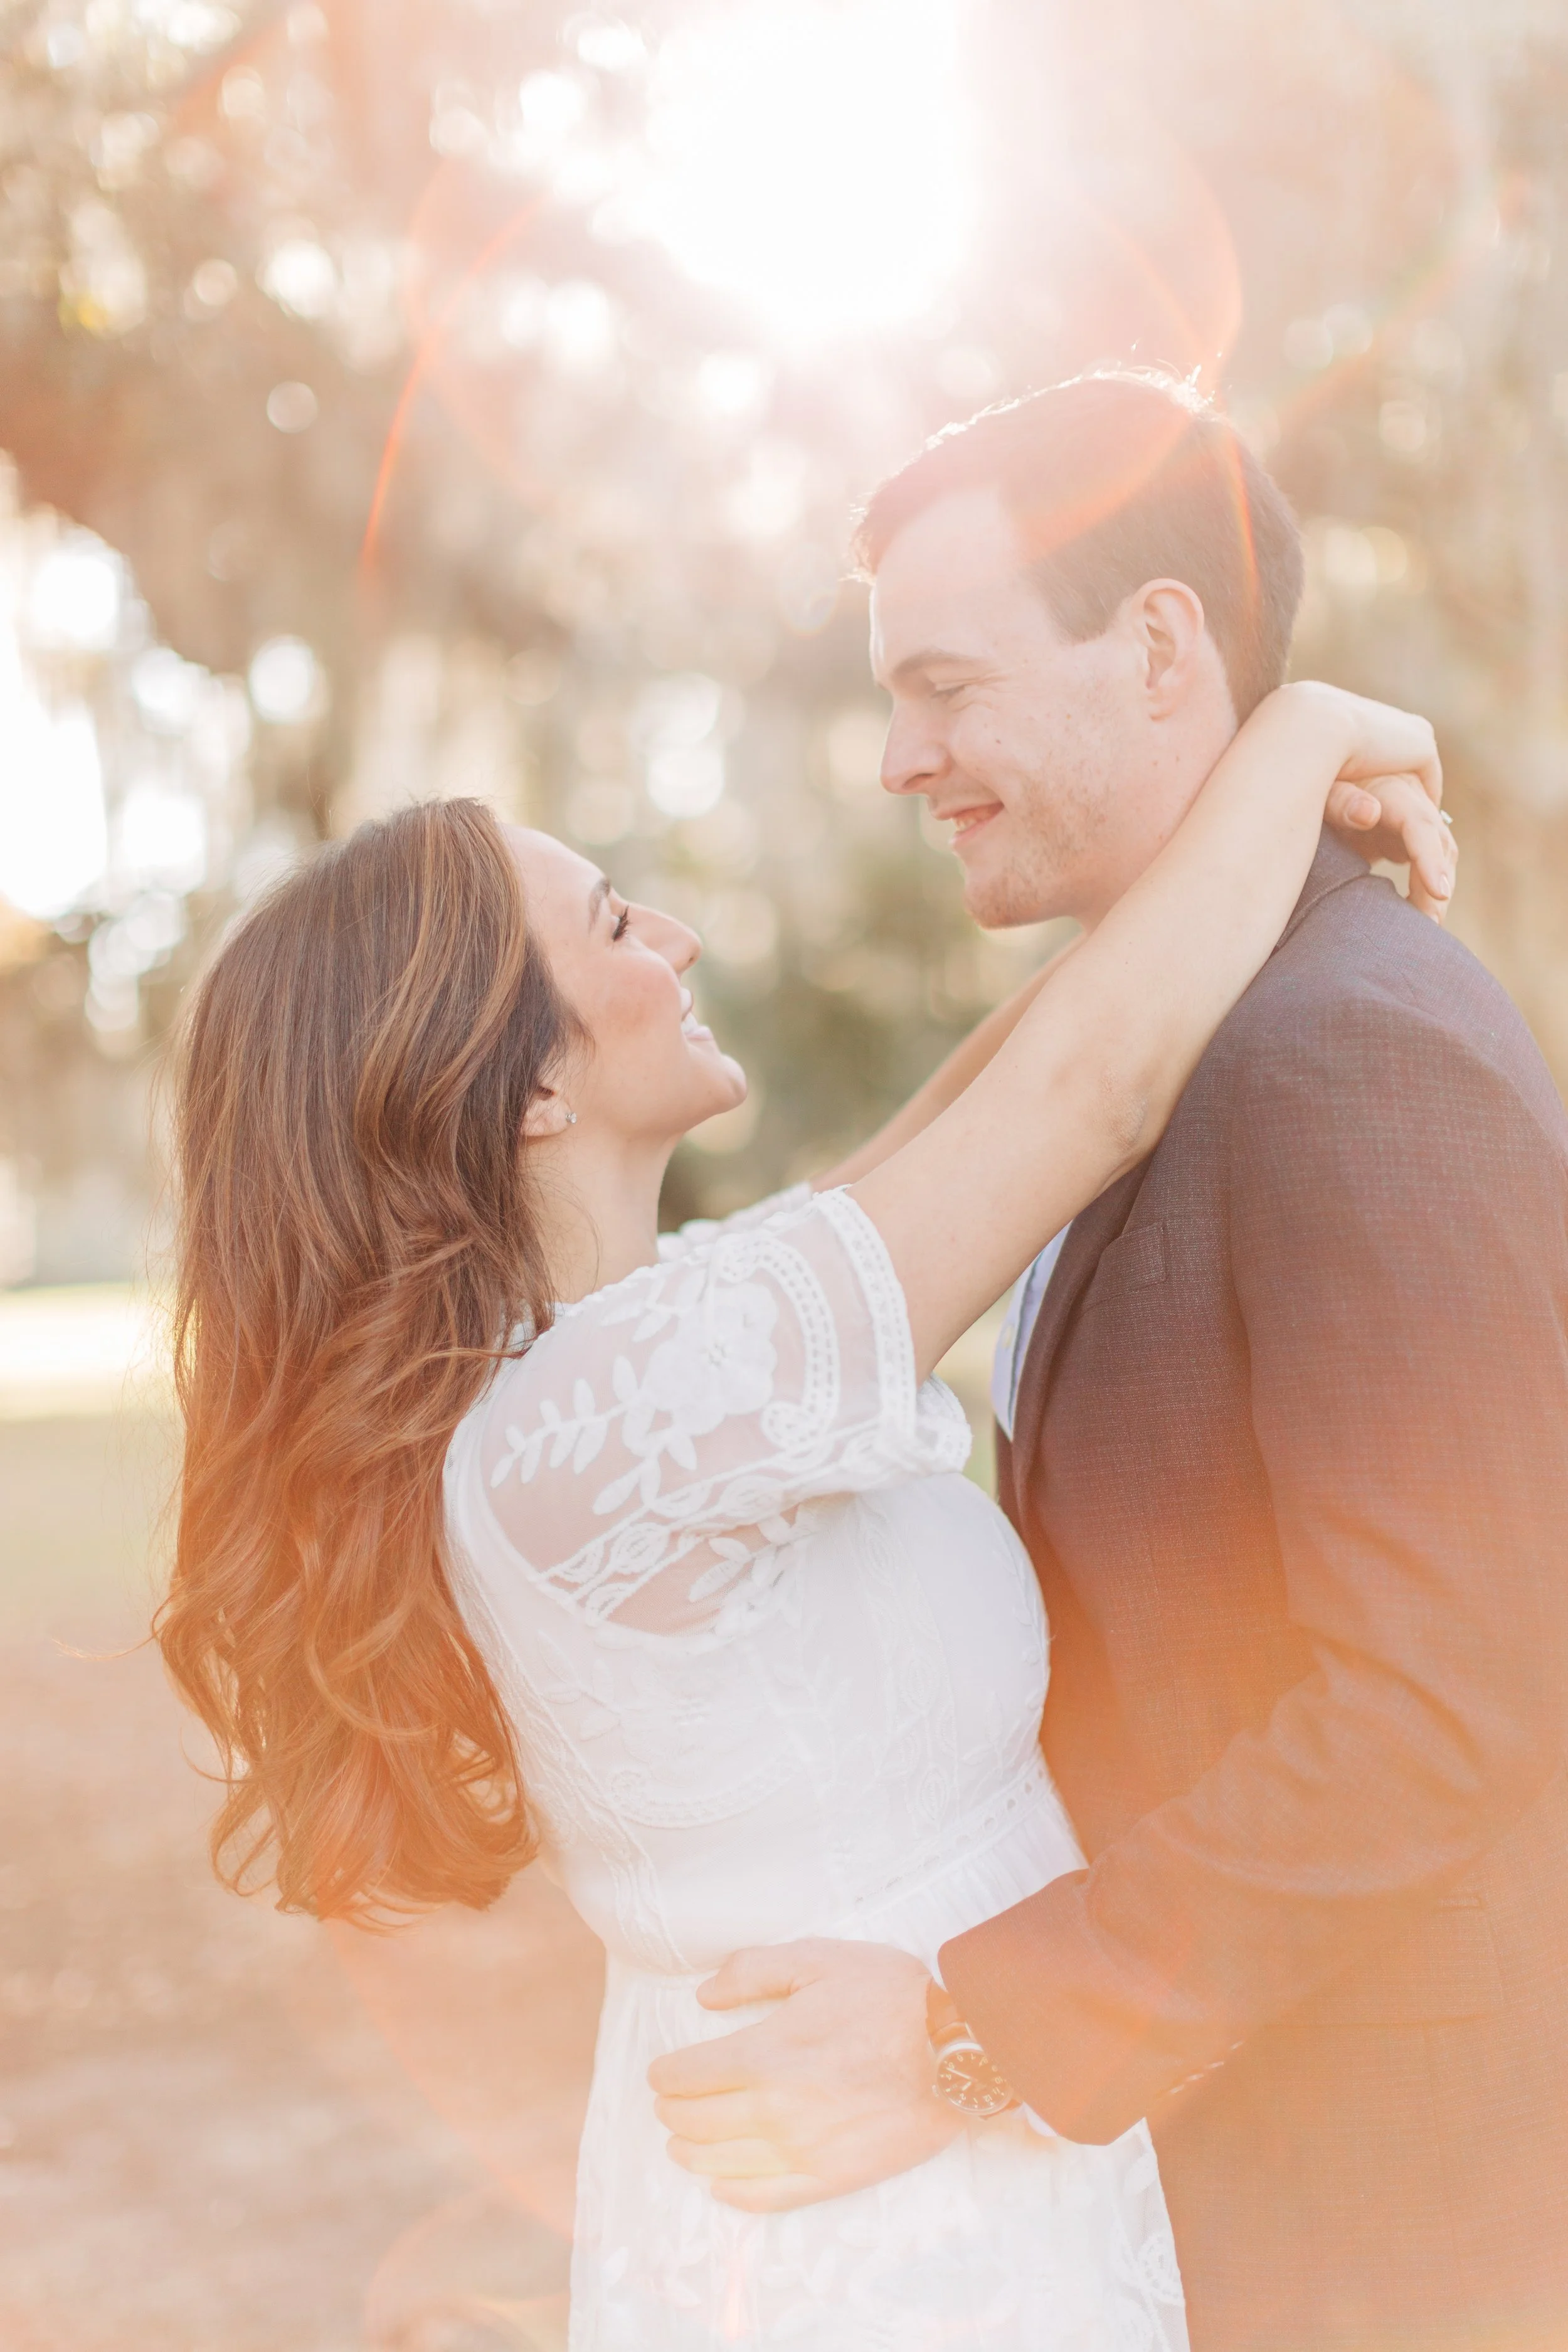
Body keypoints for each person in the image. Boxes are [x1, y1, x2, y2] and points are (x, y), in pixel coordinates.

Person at [157, 637, 1446, 2346]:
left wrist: (1206, 846)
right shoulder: (623, 1409)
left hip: (903, 2156)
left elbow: (966, 1112)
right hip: (890, 2236)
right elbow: (1092, 1092)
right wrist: (1304, 734)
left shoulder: (632, 1357)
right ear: (530, 1083)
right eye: (617, 924)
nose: (676, 937)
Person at [649, 374, 1568, 2352]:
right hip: (1200, 2193)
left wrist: (972, 2034)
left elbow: (1453, 1692)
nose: (901, 756)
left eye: (949, 685)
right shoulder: (1150, 1041)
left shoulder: (1350, 1042)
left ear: (1160, 645)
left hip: (1386, 2227)